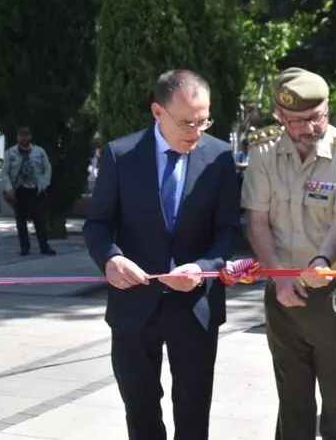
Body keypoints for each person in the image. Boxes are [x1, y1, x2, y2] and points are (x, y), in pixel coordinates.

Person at [83, 69, 242, 440]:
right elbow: (96, 224)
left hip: (195, 307)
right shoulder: (122, 155)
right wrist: (110, 258)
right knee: (140, 410)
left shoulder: (218, 157)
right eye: (187, 122)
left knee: (193, 410)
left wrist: (202, 269)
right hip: (134, 304)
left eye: (204, 121)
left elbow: (227, 232)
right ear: (158, 112)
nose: (196, 132)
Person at [242, 67, 336, 440]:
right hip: (282, 292)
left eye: (317, 116)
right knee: (293, 406)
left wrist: (321, 262)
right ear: (280, 117)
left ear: (327, 107)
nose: (309, 128)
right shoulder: (264, 150)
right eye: (297, 121)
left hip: (334, 294)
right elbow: (258, 221)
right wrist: (281, 277)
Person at [2, 126, 55, 256]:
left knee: (40, 220)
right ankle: (24, 247)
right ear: (17, 137)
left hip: (35, 190)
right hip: (19, 190)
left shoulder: (39, 152)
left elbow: (47, 169)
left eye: (26, 135)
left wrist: (43, 184)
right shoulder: (10, 153)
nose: (24, 138)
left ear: (30, 137)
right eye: (21, 135)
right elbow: (5, 172)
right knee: (21, 221)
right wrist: (9, 189)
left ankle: (44, 246)